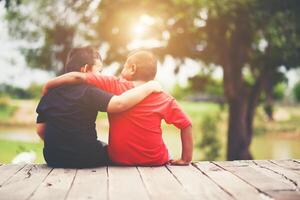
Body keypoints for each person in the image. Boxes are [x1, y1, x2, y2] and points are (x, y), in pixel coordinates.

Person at [43, 50, 193, 166]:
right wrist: (186, 159)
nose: (122, 69)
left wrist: (49, 84)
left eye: (125, 65)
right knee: (169, 155)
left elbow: (78, 77)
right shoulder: (163, 97)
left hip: (119, 160)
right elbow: (186, 124)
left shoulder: (113, 85)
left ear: (133, 68)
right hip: (155, 160)